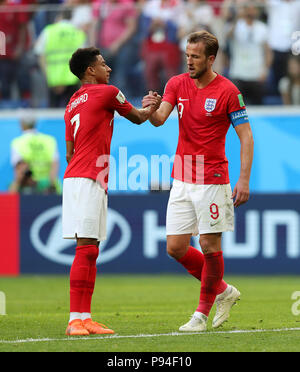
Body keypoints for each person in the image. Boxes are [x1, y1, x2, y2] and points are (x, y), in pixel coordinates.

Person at [142, 30, 254, 332]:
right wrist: (151, 107)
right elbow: (160, 118)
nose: (189, 61)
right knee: (176, 247)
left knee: (208, 243)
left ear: (211, 59)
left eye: (195, 56)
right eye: (187, 55)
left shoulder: (229, 91)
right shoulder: (176, 83)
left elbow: (246, 137)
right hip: (181, 177)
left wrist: (243, 180)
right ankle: (224, 291)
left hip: (213, 179)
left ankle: (201, 315)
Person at [63, 47, 161, 336]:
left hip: (78, 176)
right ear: (90, 71)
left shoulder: (71, 103)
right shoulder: (107, 92)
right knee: (86, 249)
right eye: (103, 64)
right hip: (89, 177)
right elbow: (139, 118)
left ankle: (85, 317)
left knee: (90, 249)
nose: (108, 68)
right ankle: (74, 320)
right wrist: (153, 106)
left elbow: (69, 152)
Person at [34, 7, 86, 108]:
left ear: (59, 16)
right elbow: (84, 59)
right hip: (73, 79)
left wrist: (49, 77)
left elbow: (40, 54)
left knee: (53, 115)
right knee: (74, 114)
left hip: (53, 80)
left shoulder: (49, 31)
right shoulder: (78, 33)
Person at [226, 2, 272, 105]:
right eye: (247, 9)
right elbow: (227, 37)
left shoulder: (262, 28)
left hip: (257, 73)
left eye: (253, 9)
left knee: (258, 106)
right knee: (237, 106)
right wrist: (237, 18)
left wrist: (265, 70)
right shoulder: (236, 26)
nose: (250, 12)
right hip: (238, 72)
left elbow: (268, 52)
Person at [10, 111, 61, 194]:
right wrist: (50, 185)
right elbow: (55, 166)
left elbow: (21, 171)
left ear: (22, 124)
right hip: (50, 188)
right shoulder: (49, 140)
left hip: (29, 189)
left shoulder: (18, 143)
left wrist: (13, 190)